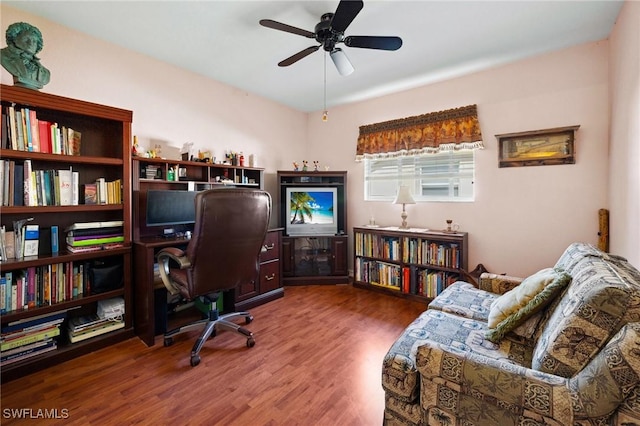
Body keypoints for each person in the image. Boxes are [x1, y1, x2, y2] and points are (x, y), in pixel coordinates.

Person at [1, 22, 50, 90]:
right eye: (26, 39)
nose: (30, 43)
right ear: (14, 39)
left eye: (34, 41)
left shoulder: (45, 72)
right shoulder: (3, 56)